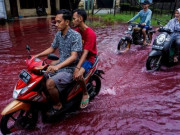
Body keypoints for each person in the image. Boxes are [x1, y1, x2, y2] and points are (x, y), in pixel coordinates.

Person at [34, 9, 82, 116]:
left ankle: (58, 105)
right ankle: (52, 97)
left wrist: (57, 66)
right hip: (60, 65)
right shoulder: (58, 34)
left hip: (70, 69)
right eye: (55, 21)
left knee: (49, 83)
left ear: (67, 22)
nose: (56, 24)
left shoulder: (76, 36)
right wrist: (36, 55)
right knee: (41, 77)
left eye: (58, 21)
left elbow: (74, 57)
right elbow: (51, 49)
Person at [72, 9, 97, 108]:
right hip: (78, 56)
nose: (72, 21)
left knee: (78, 75)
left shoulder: (90, 34)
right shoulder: (77, 31)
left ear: (80, 19)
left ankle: (85, 93)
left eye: (74, 19)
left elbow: (86, 53)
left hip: (88, 59)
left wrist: (78, 68)